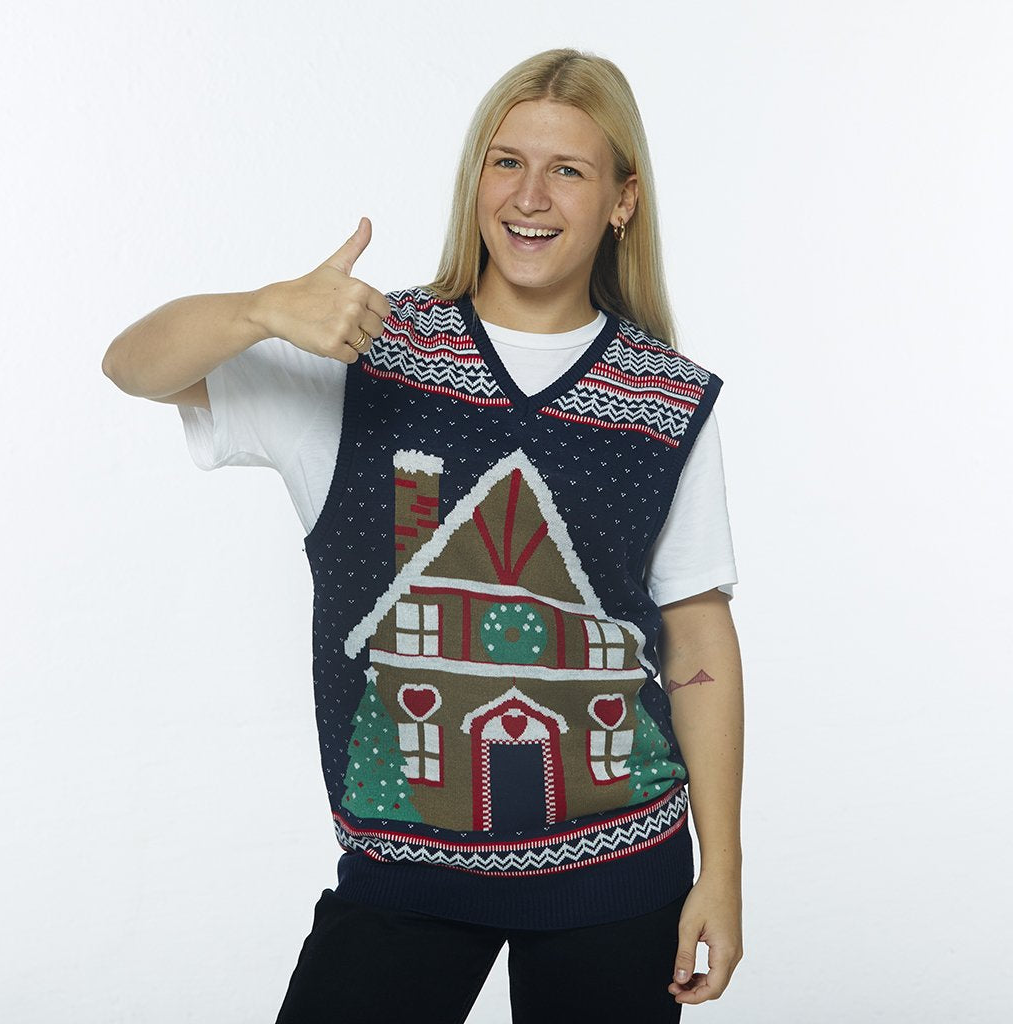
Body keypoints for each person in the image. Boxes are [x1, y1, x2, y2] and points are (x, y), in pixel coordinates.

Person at [103, 47, 744, 1023]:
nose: (528, 195)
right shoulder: (365, 353)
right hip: (402, 874)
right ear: (473, 180)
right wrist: (259, 309)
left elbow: (695, 635)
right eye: (505, 161)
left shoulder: (667, 398)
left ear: (622, 200)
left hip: (623, 872)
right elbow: (131, 367)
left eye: (567, 169)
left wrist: (724, 868)